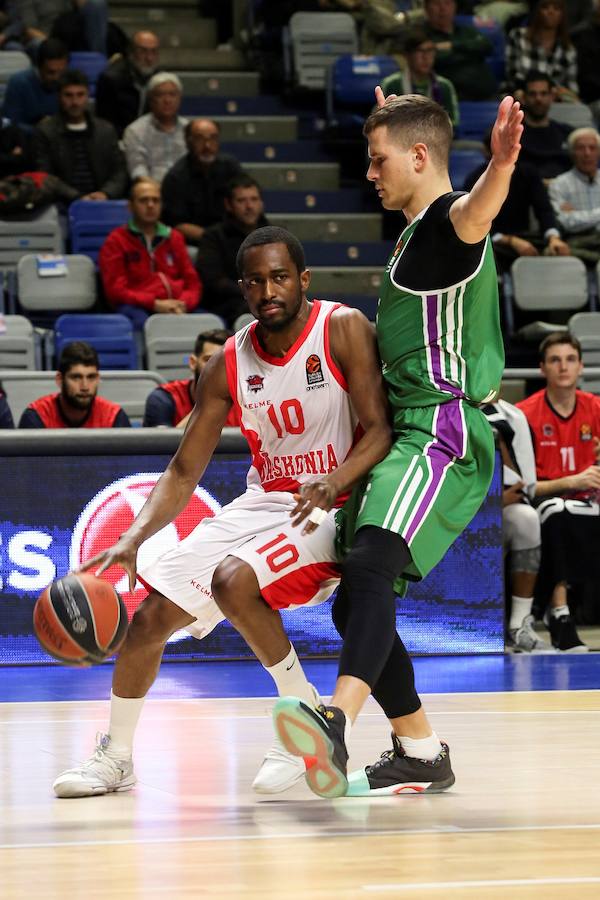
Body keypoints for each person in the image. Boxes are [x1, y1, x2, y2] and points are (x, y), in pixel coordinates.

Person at [51, 225, 391, 799]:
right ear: (242, 289)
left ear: (303, 280)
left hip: (338, 502)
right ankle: (118, 758)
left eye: (280, 276)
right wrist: (135, 535)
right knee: (150, 617)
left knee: (234, 581)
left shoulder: (342, 329)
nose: (269, 289)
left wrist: (334, 480)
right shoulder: (230, 360)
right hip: (265, 501)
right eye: (256, 281)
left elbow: (380, 430)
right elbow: (184, 471)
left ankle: (303, 727)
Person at [252, 91, 523, 799]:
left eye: (378, 160)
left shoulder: (445, 222)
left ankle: (334, 722)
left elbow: (476, 215)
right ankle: (421, 750)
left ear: (420, 156)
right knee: (354, 602)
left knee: (370, 566)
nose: (370, 174)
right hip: (407, 433)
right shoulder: (411, 236)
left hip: (438, 428)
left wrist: (499, 166)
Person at [517, 332, 596, 652]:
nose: (563, 367)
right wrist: (571, 482)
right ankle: (559, 615)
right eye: (555, 360)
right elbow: (522, 485)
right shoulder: (524, 414)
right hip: (544, 500)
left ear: (581, 367)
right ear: (542, 369)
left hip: (587, 500)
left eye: (570, 359)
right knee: (555, 513)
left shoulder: (595, 408)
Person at [482, 400, 549, 652]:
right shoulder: (440, 406)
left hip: (501, 508)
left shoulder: (512, 417)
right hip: (448, 511)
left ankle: (519, 624)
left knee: (526, 518)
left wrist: (496, 502)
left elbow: (526, 485)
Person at [98, 177, 202, 331]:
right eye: (143, 200)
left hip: (177, 304)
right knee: (142, 323)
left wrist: (183, 303)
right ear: (130, 206)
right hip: (137, 307)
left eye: (156, 200)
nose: (151, 205)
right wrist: (154, 303)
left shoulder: (174, 237)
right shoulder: (116, 241)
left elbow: (192, 282)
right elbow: (115, 290)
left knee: (209, 322)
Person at [463, 126, 569, 270]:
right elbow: (472, 223)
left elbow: (544, 210)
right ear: (488, 151)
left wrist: (553, 237)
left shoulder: (528, 173)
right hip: (489, 239)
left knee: (560, 249)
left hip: (524, 236)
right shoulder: (475, 178)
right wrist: (510, 241)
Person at [32, 68, 127, 203]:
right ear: (59, 96)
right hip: (61, 204)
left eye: (80, 95)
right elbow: (45, 176)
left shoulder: (106, 129)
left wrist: (105, 193)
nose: (75, 102)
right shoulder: (45, 131)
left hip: (103, 201)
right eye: (68, 95)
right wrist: (76, 197)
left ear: (88, 95)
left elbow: (119, 171)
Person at [195, 175, 268, 325]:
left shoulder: (273, 234)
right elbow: (213, 281)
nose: (249, 206)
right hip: (227, 304)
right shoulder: (213, 237)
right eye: (242, 201)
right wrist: (251, 291)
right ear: (228, 205)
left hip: (266, 295)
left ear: (261, 203)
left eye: (254, 199)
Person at [161, 119, 243, 246]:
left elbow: (246, 202)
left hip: (232, 237)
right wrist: (215, 240)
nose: (207, 146)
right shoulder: (176, 178)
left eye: (213, 138)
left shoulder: (231, 168)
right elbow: (177, 225)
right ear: (188, 142)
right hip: (194, 243)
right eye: (200, 139)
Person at [19, 341, 130, 428]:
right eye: (76, 377)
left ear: (98, 378)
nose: (85, 386)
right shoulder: (37, 416)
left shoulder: (114, 417)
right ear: (59, 379)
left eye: (91, 377)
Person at [143, 328, 240, 428]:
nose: (219, 369)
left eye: (229, 361)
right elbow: (160, 443)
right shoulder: (163, 399)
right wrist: (206, 405)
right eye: (210, 360)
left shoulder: (249, 400)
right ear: (193, 363)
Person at [381, 28, 459, 129]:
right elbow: (380, 123)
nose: (426, 57)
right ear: (407, 55)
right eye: (420, 51)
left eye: (430, 51)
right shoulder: (392, 84)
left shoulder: (444, 86)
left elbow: (453, 122)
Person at [505, 0, 579, 100]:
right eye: (545, 7)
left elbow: (572, 91)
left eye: (556, 8)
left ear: (562, 15)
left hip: (555, 104)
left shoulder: (568, 49)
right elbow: (511, 77)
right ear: (537, 12)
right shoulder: (518, 36)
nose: (551, 12)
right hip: (521, 99)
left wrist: (561, 93)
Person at [423, 0, 497, 100]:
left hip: (486, 95)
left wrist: (453, 46)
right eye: (437, 4)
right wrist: (469, 51)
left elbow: (486, 47)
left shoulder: (466, 31)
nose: (443, 9)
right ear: (426, 8)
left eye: (447, 3)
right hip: (449, 98)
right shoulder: (421, 35)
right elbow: (438, 59)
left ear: (455, 7)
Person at [122, 72, 187, 184]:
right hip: (151, 192)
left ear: (179, 99)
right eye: (160, 95)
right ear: (150, 99)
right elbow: (137, 169)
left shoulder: (189, 129)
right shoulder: (135, 131)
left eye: (172, 94)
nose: (167, 100)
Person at [548, 127, 600, 264]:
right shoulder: (559, 184)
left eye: (592, 148)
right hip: (577, 242)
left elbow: (572, 220)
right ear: (571, 152)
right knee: (555, 250)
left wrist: (577, 215)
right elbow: (566, 222)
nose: (587, 153)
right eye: (580, 148)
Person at [95, 30, 161, 138]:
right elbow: (105, 124)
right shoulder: (110, 80)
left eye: (154, 51)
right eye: (143, 51)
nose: (149, 58)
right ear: (130, 52)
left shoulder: (160, 79)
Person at [1, 38, 68, 131]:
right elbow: (8, 124)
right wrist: (40, 130)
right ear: (39, 67)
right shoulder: (18, 83)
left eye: (61, 72)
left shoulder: (69, 83)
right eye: (50, 72)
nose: (56, 78)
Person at [519, 71, 572, 179]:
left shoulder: (566, 133)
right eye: (532, 94)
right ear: (523, 98)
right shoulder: (514, 134)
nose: (538, 99)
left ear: (552, 96)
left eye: (543, 93)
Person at [19, 0, 107, 55]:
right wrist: (51, 44)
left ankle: (98, 58)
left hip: (70, 34)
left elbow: (85, 8)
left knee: (97, 3)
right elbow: (30, 29)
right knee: (37, 44)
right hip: (45, 38)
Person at [360, 0, 426, 56]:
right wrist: (417, 17)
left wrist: (406, 16)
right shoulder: (374, 2)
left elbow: (431, 16)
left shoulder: (419, 2)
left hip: (418, 56)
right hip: (384, 57)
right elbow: (387, 25)